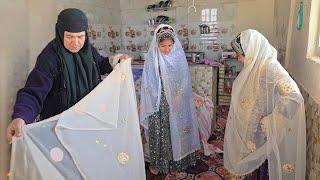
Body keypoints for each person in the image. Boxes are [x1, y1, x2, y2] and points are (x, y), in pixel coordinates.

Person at [6, 8, 129, 142]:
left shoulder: (89, 51)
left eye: (80, 37)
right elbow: (34, 92)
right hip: (59, 130)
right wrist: (21, 117)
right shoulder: (50, 58)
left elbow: (99, 65)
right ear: (60, 33)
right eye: (69, 36)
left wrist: (116, 61)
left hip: (88, 124)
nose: (75, 42)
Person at [224, 29, 306, 180]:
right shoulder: (256, 66)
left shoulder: (270, 67)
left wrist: (272, 119)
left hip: (264, 132)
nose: (238, 58)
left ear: (252, 51)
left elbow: (294, 96)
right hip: (254, 129)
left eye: (240, 54)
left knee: (262, 167)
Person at [139, 24, 201, 176]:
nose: (167, 49)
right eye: (163, 46)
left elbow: (184, 78)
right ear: (157, 44)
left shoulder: (178, 58)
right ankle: (157, 162)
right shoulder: (152, 59)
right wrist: (154, 97)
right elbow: (148, 81)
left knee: (176, 130)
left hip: (175, 101)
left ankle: (177, 161)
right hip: (157, 102)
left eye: (169, 45)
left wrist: (179, 94)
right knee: (158, 132)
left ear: (174, 44)